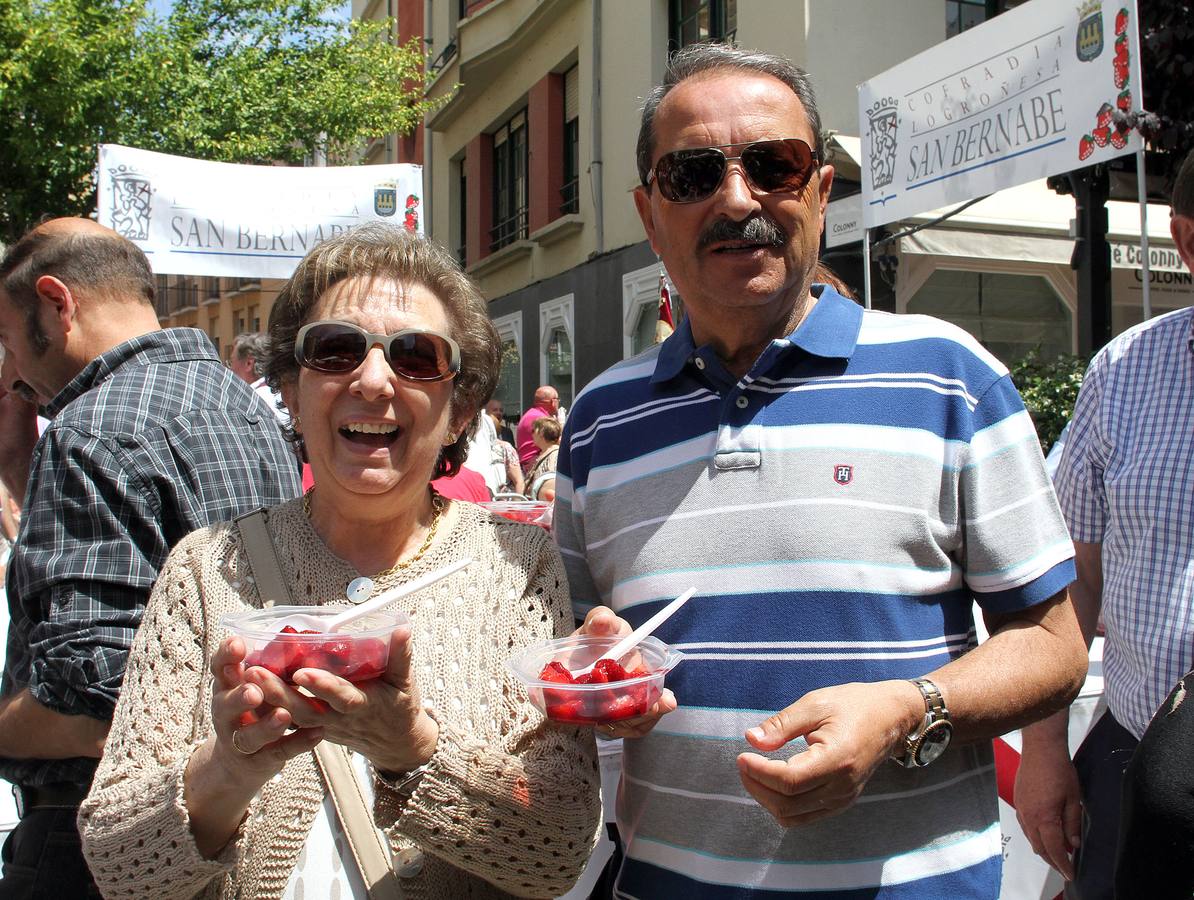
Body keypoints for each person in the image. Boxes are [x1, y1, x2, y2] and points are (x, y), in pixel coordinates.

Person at [555, 43, 1086, 899]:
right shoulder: (599, 423)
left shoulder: (949, 377)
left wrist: (907, 711)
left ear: (821, 193)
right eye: (693, 175)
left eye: (775, 164)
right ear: (649, 215)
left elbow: (1053, 649)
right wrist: (591, 668)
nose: (738, 198)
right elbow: (576, 652)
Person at [78, 223, 602, 899]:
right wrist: (228, 770)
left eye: (415, 356)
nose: (375, 380)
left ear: (458, 407)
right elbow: (118, 867)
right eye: (335, 351)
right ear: (290, 391)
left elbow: (557, 850)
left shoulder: (518, 565)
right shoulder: (206, 571)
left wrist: (413, 754)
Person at [0, 218, 303, 899]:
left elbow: (96, 703)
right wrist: (23, 469)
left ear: (56, 303)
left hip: (97, 839)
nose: (11, 370)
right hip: (231, 811)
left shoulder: (90, 429)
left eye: (7, 341)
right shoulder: (242, 405)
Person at [1016, 149, 1194, 900]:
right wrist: (1046, 750)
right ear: (1188, 242)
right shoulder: (1125, 374)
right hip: (1133, 763)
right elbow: (1072, 583)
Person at [231, 331, 290, 426]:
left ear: (249, 363)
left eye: (231, 362)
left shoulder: (250, 401)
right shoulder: (285, 392)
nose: (230, 369)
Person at [516, 384, 559, 472]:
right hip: (537, 466)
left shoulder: (531, 414)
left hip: (530, 465)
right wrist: (562, 424)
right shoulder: (540, 419)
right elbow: (559, 442)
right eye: (558, 400)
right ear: (553, 402)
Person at [527, 416, 561, 502]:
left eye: (533, 431)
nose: (532, 434)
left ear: (541, 432)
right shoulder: (546, 453)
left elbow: (551, 485)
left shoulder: (554, 455)